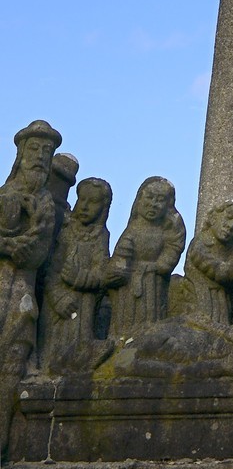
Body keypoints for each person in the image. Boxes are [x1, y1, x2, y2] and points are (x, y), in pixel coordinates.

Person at [0, 120, 62, 454]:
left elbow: (36, 252)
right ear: (21, 154)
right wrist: (10, 246)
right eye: (34, 149)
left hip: (21, 290)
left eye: (46, 151)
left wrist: (16, 243)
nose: (39, 157)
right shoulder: (3, 196)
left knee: (14, 355)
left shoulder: (45, 205)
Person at [39, 177, 120, 372]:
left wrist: (80, 278)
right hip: (57, 306)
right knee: (54, 348)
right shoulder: (66, 232)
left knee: (78, 346)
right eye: (81, 200)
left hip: (83, 306)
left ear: (103, 208)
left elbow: (101, 274)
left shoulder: (101, 236)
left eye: (92, 203)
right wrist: (58, 299)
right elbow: (51, 271)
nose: (84, 206)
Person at [108, 176, 186, 337]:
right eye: (149, 197)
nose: (153, 204)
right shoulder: (132, 229)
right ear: (140, 199)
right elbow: (119, 258)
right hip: (128, 286)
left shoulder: (169, 229)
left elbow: (173, 249)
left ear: (168, 205)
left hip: (153, 282)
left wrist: (158, 266)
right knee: (125, 321)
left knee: (150, 322)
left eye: (160, 200)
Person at [181, 200, 233, 325]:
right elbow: (216, 270)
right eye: (228, 217)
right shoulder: (201, 242)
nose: (231, 226)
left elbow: (232, 280)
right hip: (200, 298)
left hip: (224, 303)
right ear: (214, 217)